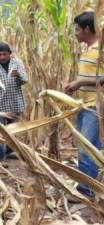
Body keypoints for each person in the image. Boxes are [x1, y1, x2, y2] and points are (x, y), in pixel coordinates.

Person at [64, 11, 104, 198]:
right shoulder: (89, 49)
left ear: (87, 29)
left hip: (95, 106)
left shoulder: (101, 49)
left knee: (88, 148)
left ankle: (86, 190)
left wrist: (80, 82)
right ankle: (85, 184)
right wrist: (76, 84)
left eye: (78, 29)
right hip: (85, 105)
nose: (75, 32)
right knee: (85, 146)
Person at [0, 42, 28, 160]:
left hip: (15, 102)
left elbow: (25, 80)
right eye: (0, 54)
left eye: (5, 54)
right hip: (0, 103)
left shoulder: (17, 64)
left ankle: (10, 151)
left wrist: (18, 75)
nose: (2, 57)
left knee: (12, 128)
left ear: (10, 54)